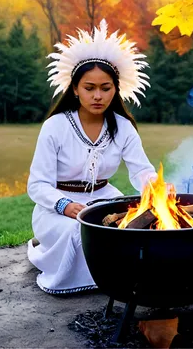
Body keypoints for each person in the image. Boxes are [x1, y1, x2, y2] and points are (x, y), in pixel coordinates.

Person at [26, 19, 157, 295]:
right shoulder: (55, 126)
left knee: (135, 225)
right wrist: (65, 205)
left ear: (115, 89)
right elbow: (37, 185)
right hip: (56, 210)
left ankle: (120, 278)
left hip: (104, 199)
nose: (98, 96)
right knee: (80, 230)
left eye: (106, 88)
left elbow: (141, 171)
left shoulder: (122, 127)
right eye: (89, 88)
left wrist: (156, 190)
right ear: (74, 89)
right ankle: (79, 279)